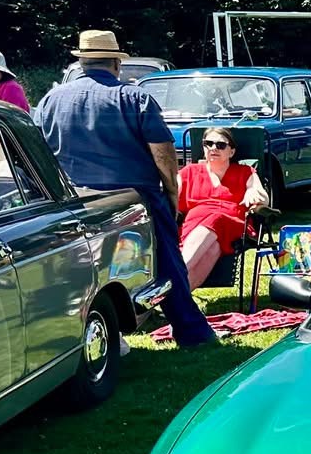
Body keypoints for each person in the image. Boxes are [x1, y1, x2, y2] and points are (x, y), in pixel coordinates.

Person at [33, 29, 213, 347]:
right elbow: (162, 151)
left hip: (74, 200)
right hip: (134, 197)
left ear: (82, 62)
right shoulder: (134, 98)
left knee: (78, 272)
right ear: (117, 63)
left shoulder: (50, 101)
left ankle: (73, 337)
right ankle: (191, 331)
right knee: (167, 263)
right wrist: (171, 192)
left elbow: (38, 152)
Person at [176, 127, 270, 286]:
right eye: (208, 144)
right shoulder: (189, 172)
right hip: (194, 227)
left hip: (233, 225)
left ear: (231, 152)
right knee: (213, 248)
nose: (213, 148)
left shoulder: (244, 172)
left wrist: (253, 192)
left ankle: (176, 274)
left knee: (216, 218)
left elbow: (264, 198)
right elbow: (170, 195)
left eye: (220, 145)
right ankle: (179, 297)